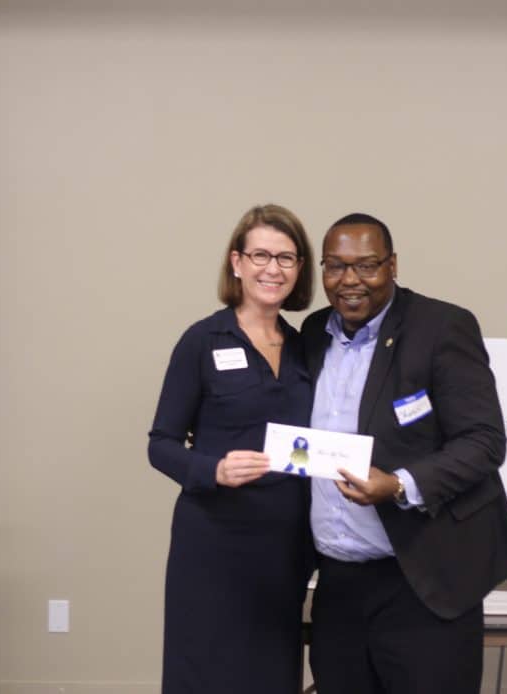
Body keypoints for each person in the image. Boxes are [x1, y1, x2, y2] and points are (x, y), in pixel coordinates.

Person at [302, 212, 507, 694]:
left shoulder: (442, 327)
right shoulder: (313, 332)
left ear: (393, 265)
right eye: (335, 266)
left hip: (423, 580)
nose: (349, 280)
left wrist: (399, 484)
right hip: (338, 586)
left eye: (366, 265)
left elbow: (484, 441)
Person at [148, 204, 315, 694]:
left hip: (285, 545)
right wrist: (214, 469)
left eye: (286, 258)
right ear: (237, 262)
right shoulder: (201, 341)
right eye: (260, 255)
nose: (273, 269)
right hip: (215, 541)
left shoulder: (306, 347)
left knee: (272, 672)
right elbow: (160, 445)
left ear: (299, 269)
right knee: (208, 669)